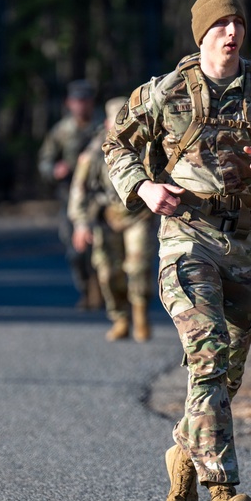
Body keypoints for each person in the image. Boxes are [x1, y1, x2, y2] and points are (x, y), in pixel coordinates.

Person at [102, 0, 251, 501]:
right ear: (201, 35)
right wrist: (143, 188)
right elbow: (115, 146)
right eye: (220, 24)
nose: (231, 31)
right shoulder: (165, 91)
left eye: (237, 23)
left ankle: (182, 455)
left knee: (224, 370)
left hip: (247, 246)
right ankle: (222, 490)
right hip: (186, 241)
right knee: (209, 351)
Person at [68, 97, 155, 342]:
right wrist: (81, 222)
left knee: (138, 267)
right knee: (107, 272)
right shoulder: (95, 152)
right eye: (118, 121)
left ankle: (140, 316)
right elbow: (79, 189)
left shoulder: (149, 147)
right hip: (107, 216)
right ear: (107, 122)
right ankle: (120, 318)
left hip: (139, 215)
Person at [38, 79, 101, 309]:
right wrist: (54, 170)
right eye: (77, 101)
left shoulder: (103, 127)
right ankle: (86, 289)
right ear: (69, 103)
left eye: (85, 100)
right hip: (71, 197)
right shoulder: (62, 131)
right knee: (76, 249)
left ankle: (107, 291)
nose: (81, 105)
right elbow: (44, 161)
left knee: (105, 247)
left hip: (100, 196)